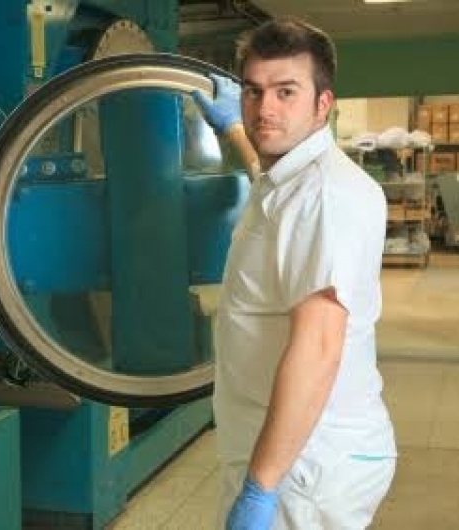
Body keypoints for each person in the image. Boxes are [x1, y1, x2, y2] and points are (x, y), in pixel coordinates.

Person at [191, 17, 397, 529]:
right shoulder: (290, 178)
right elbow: (267, 179)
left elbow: (319, 348)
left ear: (323, 105)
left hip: (305, 464)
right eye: (253, 92)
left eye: (287, 92)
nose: (266, 109)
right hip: (285, 444)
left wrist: (261, 489)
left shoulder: (327, 197)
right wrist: (233, 132)